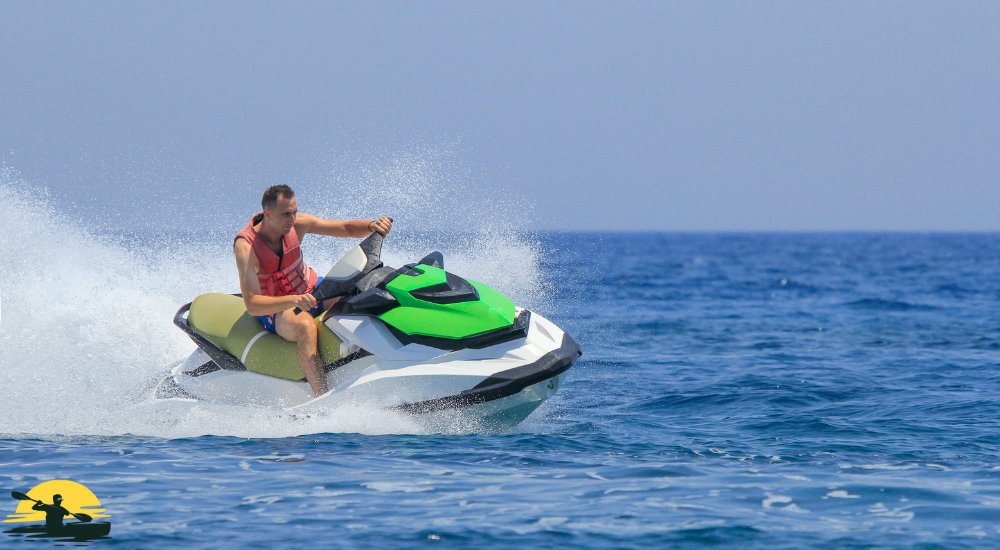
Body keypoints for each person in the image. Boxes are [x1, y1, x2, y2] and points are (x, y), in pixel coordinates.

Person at [234, 185, 392, 396]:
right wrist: (294, 300)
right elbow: (253, 304)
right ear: (267, 214)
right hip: (278, 309)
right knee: (306, 327)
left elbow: (346, 228)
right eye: (286, 215)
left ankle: (385, 359)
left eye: (294, 212)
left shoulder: (297, 225)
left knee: (361, 296)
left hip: (312, 290)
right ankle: (322, 397)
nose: (292, 220)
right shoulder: (246, 248)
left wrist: (372, 225)